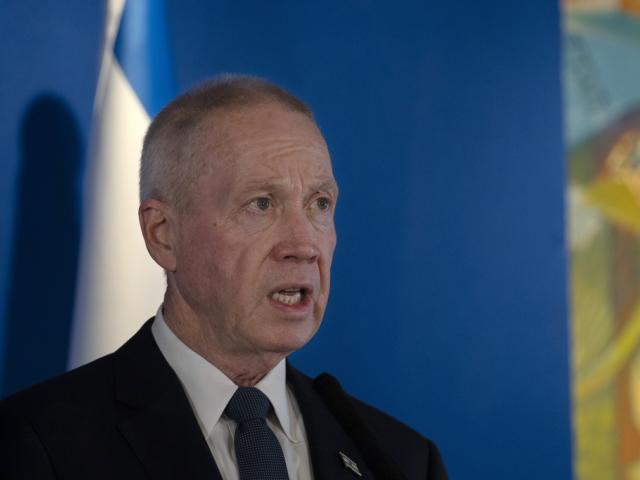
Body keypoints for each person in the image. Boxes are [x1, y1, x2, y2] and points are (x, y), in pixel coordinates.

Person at [0, 76, 447, 479]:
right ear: (163, 235)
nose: (305, 244)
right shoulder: (34, 446)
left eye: (320, 205)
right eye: (261, 204)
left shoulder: (400, 459)